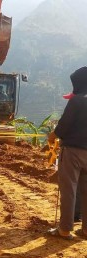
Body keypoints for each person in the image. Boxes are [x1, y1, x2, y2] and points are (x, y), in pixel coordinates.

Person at [47, 66, 87, 239]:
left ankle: (64, 229)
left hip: (72, 152)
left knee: (69, 189)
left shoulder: (77, 101)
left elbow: (63, 127)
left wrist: (51, 137)